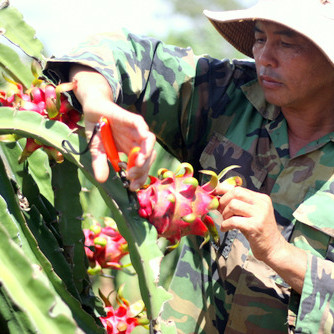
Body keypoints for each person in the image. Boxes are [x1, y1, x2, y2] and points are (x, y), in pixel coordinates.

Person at [44, 0, 334, 332]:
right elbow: (115, 51)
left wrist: (280, 253)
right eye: (259, 37)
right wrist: (97, 99)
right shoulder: (225, 94)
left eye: (286, 43)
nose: (264, 57)